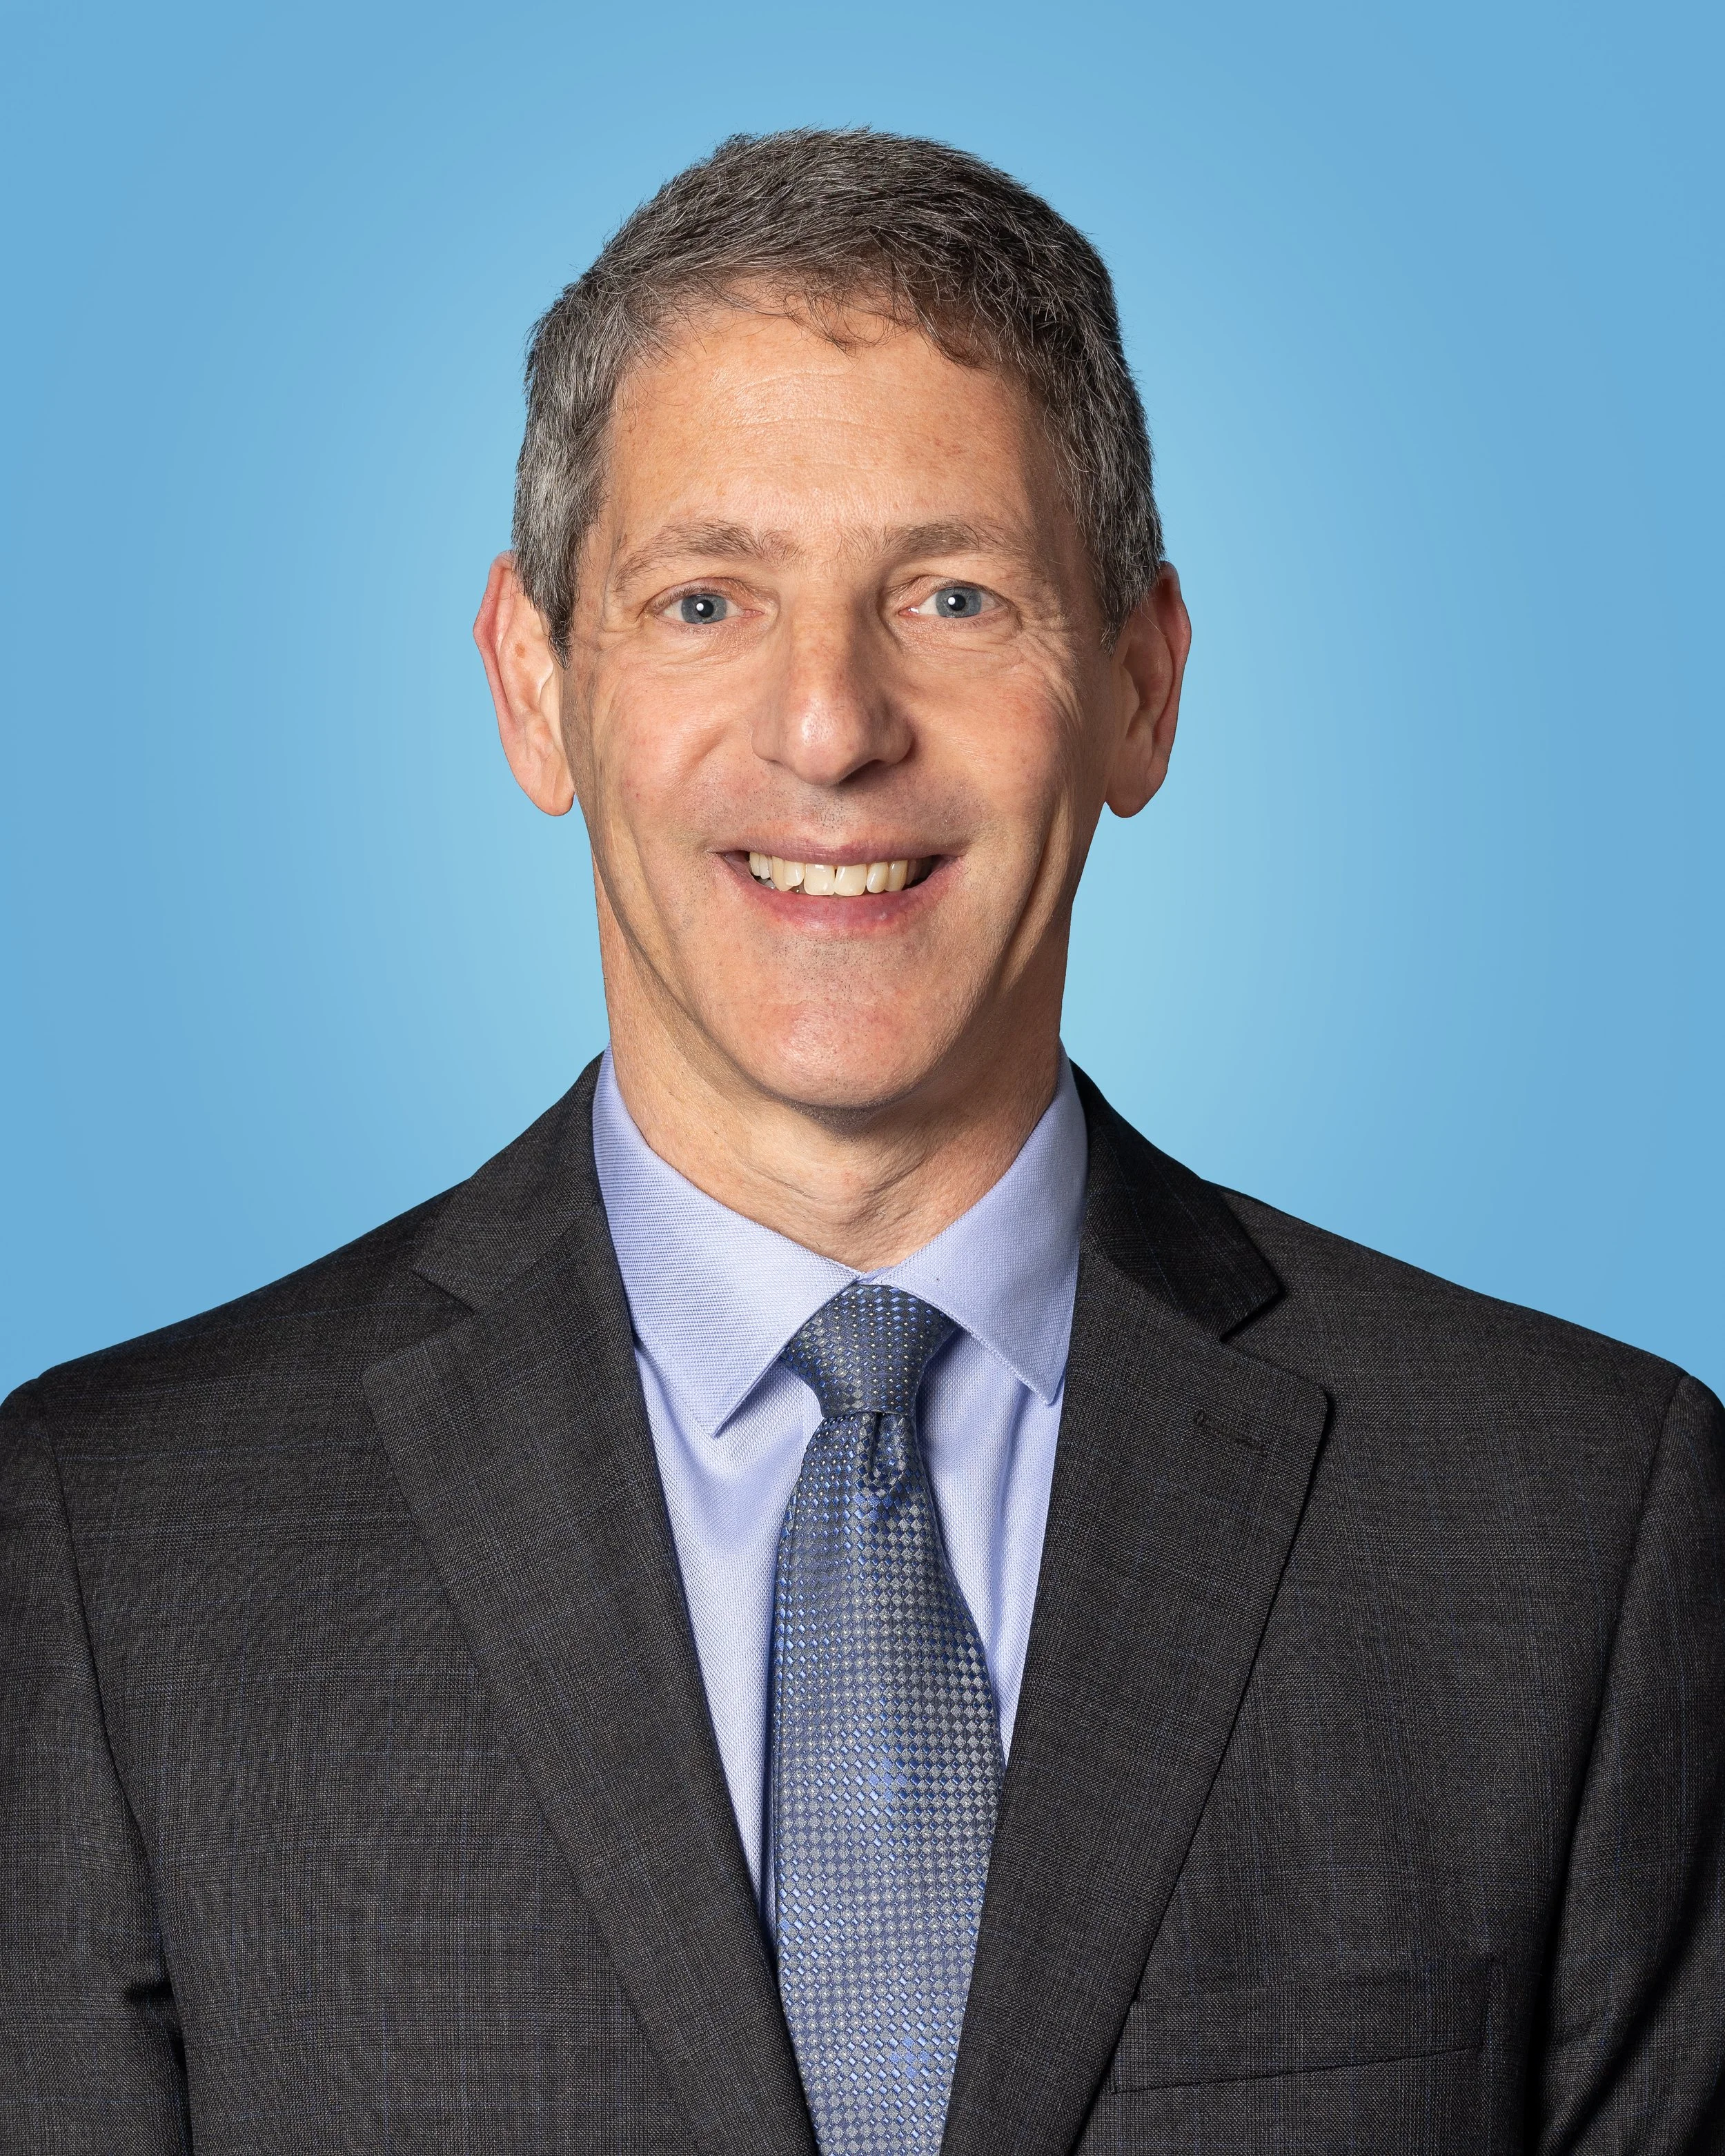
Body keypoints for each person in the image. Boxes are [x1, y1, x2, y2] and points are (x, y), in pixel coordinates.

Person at [2, 127, 1720, 2156]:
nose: (829, 723)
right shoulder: (118, 1542)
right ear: (536, 685)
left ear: (1142, 686)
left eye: (955, 595)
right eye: (708, 597)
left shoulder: (1568, 1523)